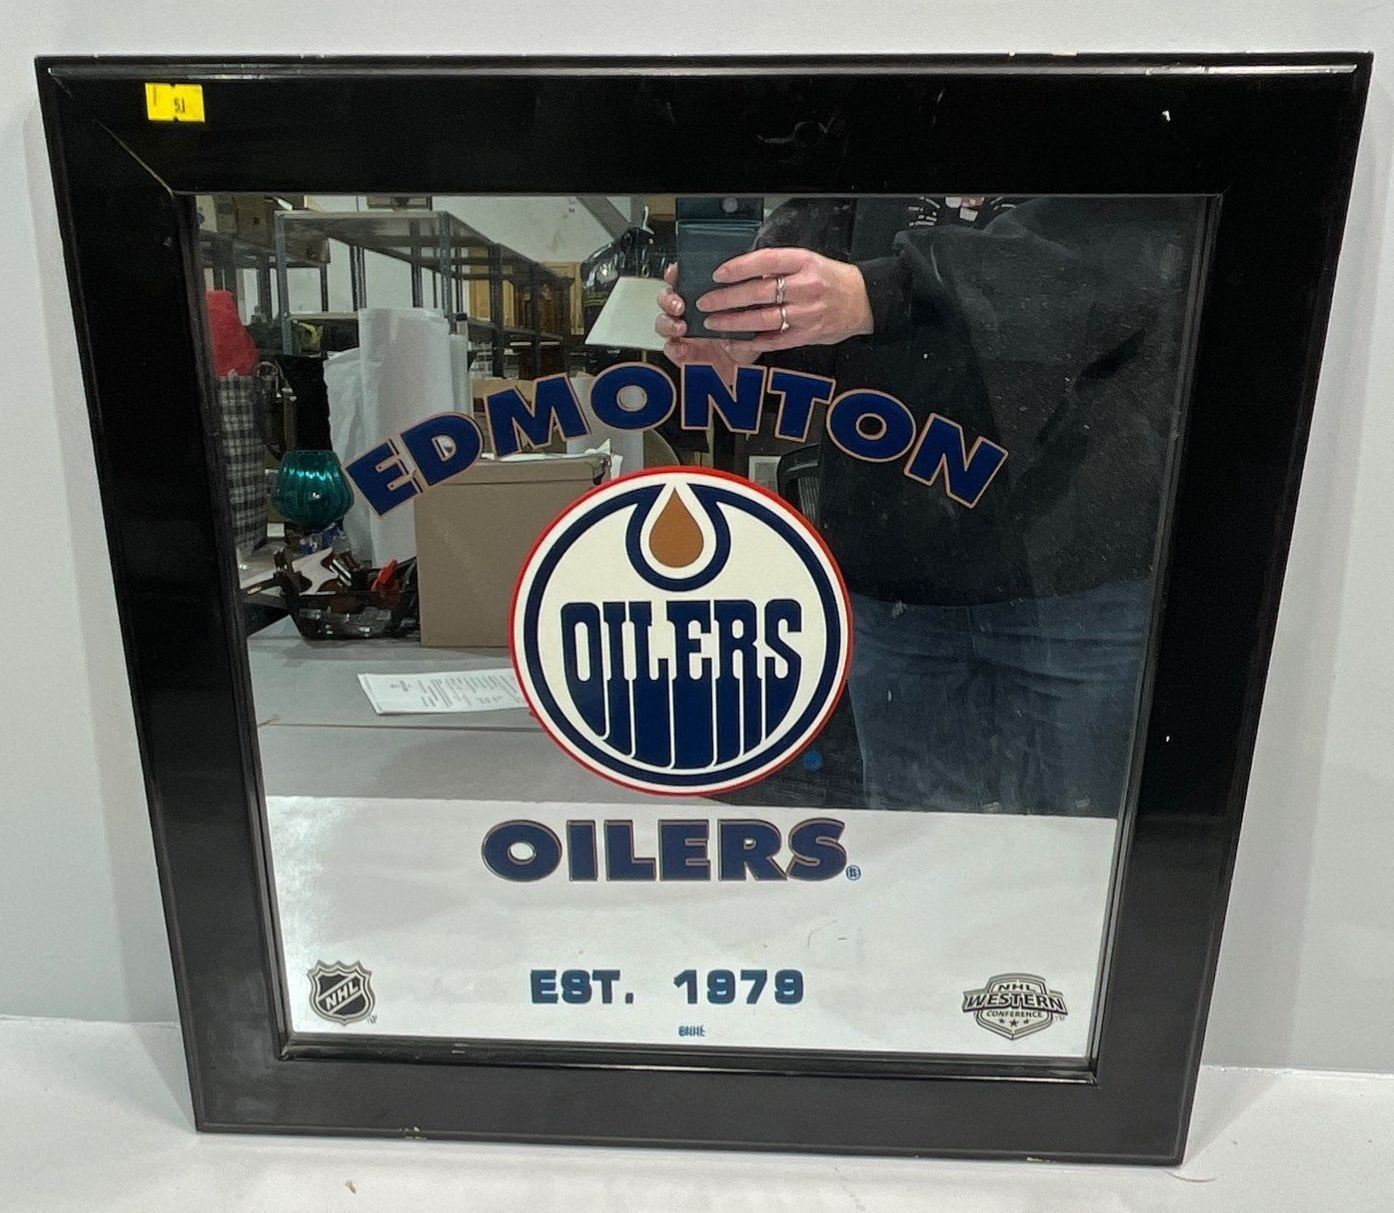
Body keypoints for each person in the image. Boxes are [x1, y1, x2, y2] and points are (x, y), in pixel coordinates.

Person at [656, 195, 1200, 816]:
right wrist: (752, 348)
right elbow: (830, 346)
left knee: (1083, 847)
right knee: (916, 855)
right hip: (898, 586)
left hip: (1079, 581)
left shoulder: (1119, 159)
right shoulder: (853, 179)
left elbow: (1108, 270)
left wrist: (873, 293)